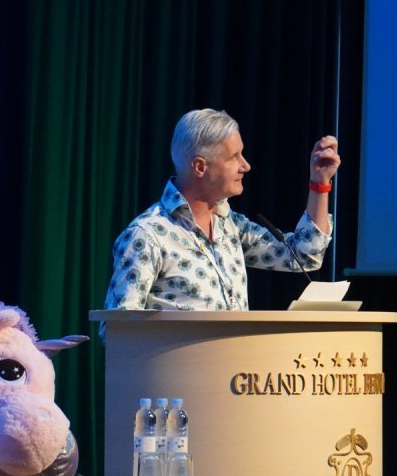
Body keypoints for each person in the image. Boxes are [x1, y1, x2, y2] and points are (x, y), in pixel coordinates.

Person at [101, 108, 340, 337]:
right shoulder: (148, 235)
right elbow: (117, 330)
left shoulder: (231, 225)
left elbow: (304, 255)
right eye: (234, 157)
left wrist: (319, 183)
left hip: (237, 364)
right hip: (178, 366)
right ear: (200, 166)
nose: (245, 166)